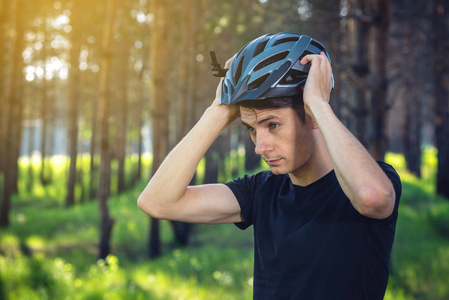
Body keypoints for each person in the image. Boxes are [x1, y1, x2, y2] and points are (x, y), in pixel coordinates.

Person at [138, 32, 401, 300]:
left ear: (310, 116)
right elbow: (157, 202)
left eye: (272, 125)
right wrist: (219, 110)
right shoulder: (261, 192)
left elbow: (372, 198)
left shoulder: (375, 180)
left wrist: (318, 103)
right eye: (252, 129)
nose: (260, 147)